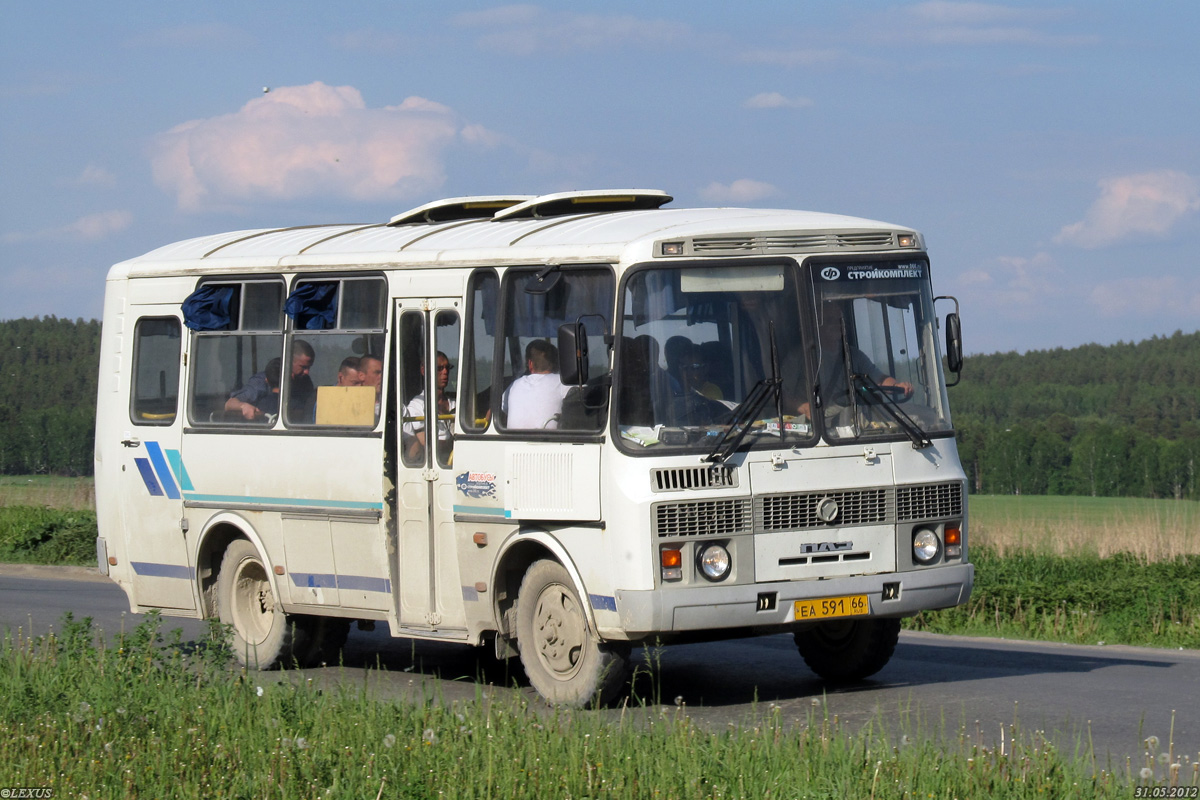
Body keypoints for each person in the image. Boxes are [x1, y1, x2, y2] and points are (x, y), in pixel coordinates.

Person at [798, 306, 912, 421]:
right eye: (830, 321)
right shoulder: (800, 357)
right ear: (817, 326)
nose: (836, 326)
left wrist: (897, 386)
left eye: (840, 321)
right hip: (819, 426)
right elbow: (783, 394)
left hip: (851, 423)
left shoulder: (854, 355)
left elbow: (879, 379)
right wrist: (803, 407)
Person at [225, 340, 314, 421]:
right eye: (303, 367)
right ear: (289, 361)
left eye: (309, 367)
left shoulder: (305, 381)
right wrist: (244, 406)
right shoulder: (263, 380)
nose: (307, 372)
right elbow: (230, 404)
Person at [502, 339, 571, 430]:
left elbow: (492, 414)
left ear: (530, 364)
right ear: (557, 364)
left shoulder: (514, 385)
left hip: (513, 442)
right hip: (551, 442)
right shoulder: (564, 383)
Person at [403, 351, 454, 461]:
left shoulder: (455, 404)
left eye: (447, 367)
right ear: (423, 371)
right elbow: (428, 446)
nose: (445, 372)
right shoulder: (416, 407)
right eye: (439, 368)